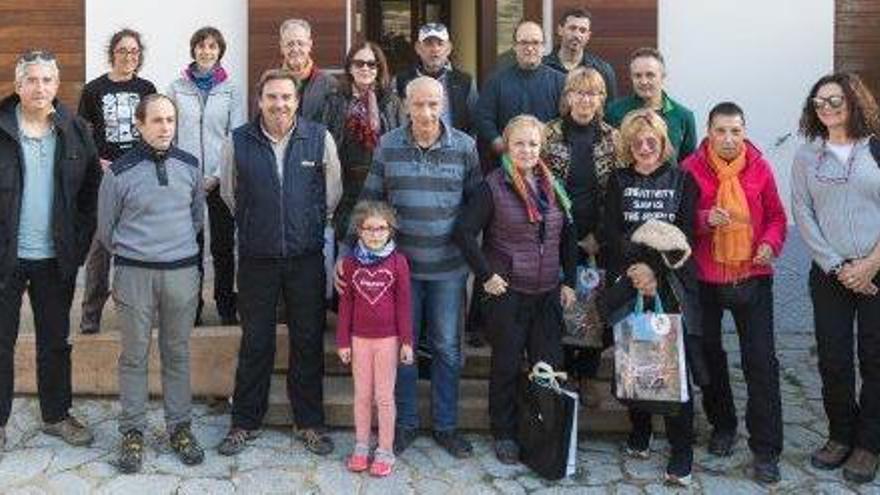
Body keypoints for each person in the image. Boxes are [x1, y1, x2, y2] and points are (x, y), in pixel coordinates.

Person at [337, 76, 482, 458]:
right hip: (399, 271)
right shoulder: (388, 145)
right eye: (418, 104)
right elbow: (369, 200)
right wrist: (347, 251)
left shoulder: (465, 147)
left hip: (449, 269)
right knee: (405, 348)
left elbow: (476, 208)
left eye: (434, 104)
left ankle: (447, 426)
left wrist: (480, 263)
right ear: (405, 105)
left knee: (449, 350)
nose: (426, 112)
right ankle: (406, 424)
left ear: (445, 105)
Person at [217, 69, 342, 457]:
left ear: (297, 100)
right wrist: (260, 224)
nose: (279, 104)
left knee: (307, 340)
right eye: (272, 97)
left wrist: (303, 224)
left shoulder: (318, 138)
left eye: (286, 97)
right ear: (260, 100)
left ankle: (309, 421)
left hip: (306, 257)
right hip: (257, 258)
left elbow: (332, 194)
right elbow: (228, 193)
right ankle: (244, 422)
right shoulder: (238, 140)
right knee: (256, 340)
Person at [454, 115, 577, 464]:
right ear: (507, 146)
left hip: (547, 291)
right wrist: (486, 274)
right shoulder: (493, 185)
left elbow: (568, 234)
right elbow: (463, 233)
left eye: (533, 144)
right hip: (507, 293)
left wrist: (568, 281)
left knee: (547, 366)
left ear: (542, 148)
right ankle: (504, 433)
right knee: (506, 366)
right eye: (519, 143)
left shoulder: (554, 186)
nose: (526, 150)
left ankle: (543, 432)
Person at [97, 94, 205, 473]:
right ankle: (133, 432)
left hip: (180, 275)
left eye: (170, 120)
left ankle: (180, 427)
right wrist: (139, 254)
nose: (165, 128)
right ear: (140, 125)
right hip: (134, 276)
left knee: (176, 353)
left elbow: (195, 218)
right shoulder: (119, 172)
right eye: (157, 120)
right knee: (134, 356)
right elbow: (106, 230)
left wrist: (173, 252)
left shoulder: (190, 166)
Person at [0, 50, 101, 451]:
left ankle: (56, 416)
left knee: (55, 342)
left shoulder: (76, 130)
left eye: (47, 80)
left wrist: (76, 245)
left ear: (57, 86)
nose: (39, 88)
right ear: (18, 84)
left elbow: (91, 191)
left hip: (55, 259)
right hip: (5, 259)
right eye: (32, 80)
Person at [682, 102, 787, 484]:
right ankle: (723, 425)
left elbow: (776, 216)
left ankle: (766, 449)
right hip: (705, 281)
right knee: (709, 357)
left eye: (735, 131)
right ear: (708, 132)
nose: (728, 139)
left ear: (744, 132)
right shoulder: (690, 170)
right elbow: (679, 220)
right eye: (721, 131)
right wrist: (704, 220)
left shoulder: (759, 167)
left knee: (760, 361)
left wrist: (771, 245)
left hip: (752, 276)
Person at [603, 108, 703, 487]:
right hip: (630, 278)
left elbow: (685, 237)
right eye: (637, 141)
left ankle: (681, 451)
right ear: (629, 145)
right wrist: (637, 271)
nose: (645, 147)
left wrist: (654, 272)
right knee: (634, 359)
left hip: (670, 283)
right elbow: (611, 230)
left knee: (673, 365)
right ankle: (640, 430)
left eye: (652, 141)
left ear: (664, 144)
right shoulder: (617, 179)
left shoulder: (682, 180)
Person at [791, 72, 880, 484]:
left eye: (835, 100)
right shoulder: (807, 156)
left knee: (875, 359)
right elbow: (803, 214)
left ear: (853, 101)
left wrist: (871, 263)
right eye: (819, 102)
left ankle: (869, 444)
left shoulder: (876, 148)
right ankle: (840, 435)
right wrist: (838, 267)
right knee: (834, 358)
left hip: (877, 270)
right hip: (830, 274)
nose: (827, 108)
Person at [542, 66, 621, 386]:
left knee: (591, 306)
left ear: (602, 98)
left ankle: (585, 376)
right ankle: (559, 371)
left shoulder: (613, 138)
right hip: (556, 231)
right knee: (558, 303)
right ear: (567, 96)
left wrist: (598, 236)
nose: (586, 99)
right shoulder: (548, 134)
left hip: (596, 235)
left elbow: (617, 193)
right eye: (579, 92)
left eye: (593, 93)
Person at [78, 29, 157, 334]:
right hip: (106, 179)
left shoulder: (147, 87)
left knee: (140, 246)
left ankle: (139, 314)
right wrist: (97, 160)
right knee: (100, 249)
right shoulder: (94, 89)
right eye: (123, 50)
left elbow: (153, 128)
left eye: (134, 51)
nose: (129, 56)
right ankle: (90, 314)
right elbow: (83, 135)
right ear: (113, 52)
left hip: (139, 176)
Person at [168, 26, 245, 326]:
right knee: (190, 247)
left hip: (220, 180)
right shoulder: (176, 87)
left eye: (212, 47)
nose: (206, 51)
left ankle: (226, 305)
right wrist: (184, 174)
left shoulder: (231, 89)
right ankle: (192, 307)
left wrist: (214, 175)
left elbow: (235, 135)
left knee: (223, 247)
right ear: (194, 50)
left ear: (220, 51)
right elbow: (168, 134)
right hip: (186, 182)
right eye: (201, 46)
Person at [336, 200, 414, 477]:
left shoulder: (399, 262)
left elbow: (404, 304)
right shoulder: (350, 263)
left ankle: (384, 449)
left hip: (388, 341)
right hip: (359, 340)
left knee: (384, 396)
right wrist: (343, 341)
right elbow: (345, 306)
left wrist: (406, 341)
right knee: (362, 395)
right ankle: (360, 445)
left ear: (390, 231)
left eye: (381, 228)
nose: (375, 234)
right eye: (368, 229)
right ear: (359, 231)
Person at [322, 42, 402, 239]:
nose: (365, 68)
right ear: (350, 67)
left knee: (377, 242)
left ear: (379, 68)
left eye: (371, 64)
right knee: (346, 242)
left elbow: (401, 141)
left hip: (381, 185)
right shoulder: (335, 99)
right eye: (359, 63)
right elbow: (325, 142)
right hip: (345, 186)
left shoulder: (391, 101)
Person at [474, 21, 565, 159]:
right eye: (524, 43)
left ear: (543, 46)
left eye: (535, 43)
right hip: (506, 163)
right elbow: (483, 119)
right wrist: (500, 145)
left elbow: (566, 120)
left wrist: (549, 148)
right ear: (515, 46)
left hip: (550, 162)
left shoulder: (561, 81)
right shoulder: (496, 81)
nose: (529, 48)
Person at [605, 48, 696, 163]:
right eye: (638, 76)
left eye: (650, 75)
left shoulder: (684, 116)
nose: (644, 81)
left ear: (663, 76)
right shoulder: (614, 111)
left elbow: (688, 164)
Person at [393, 23, 477, 134]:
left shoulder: (464, 82)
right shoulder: (401, 81)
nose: (435, 49)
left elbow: (475, 122)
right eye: (428, 44)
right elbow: (393, 121)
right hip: (411, 148)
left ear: (448, 48)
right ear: (418, 48)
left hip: (455, 149)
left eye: (440, 44)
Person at [542, 7, 618, 101]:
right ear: (560, 30)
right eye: (572, 28)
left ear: (588, 36)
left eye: (582, 30)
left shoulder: (603, 70)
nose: (577, 35)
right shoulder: (543, 66)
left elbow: (610, 109)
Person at [279, 18, 338, 123]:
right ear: (282, 47)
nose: (295, 49)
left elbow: (335, 127)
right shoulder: (270, 84)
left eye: (300, 43)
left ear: (309, 45)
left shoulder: (329, 84)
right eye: (290, 44)